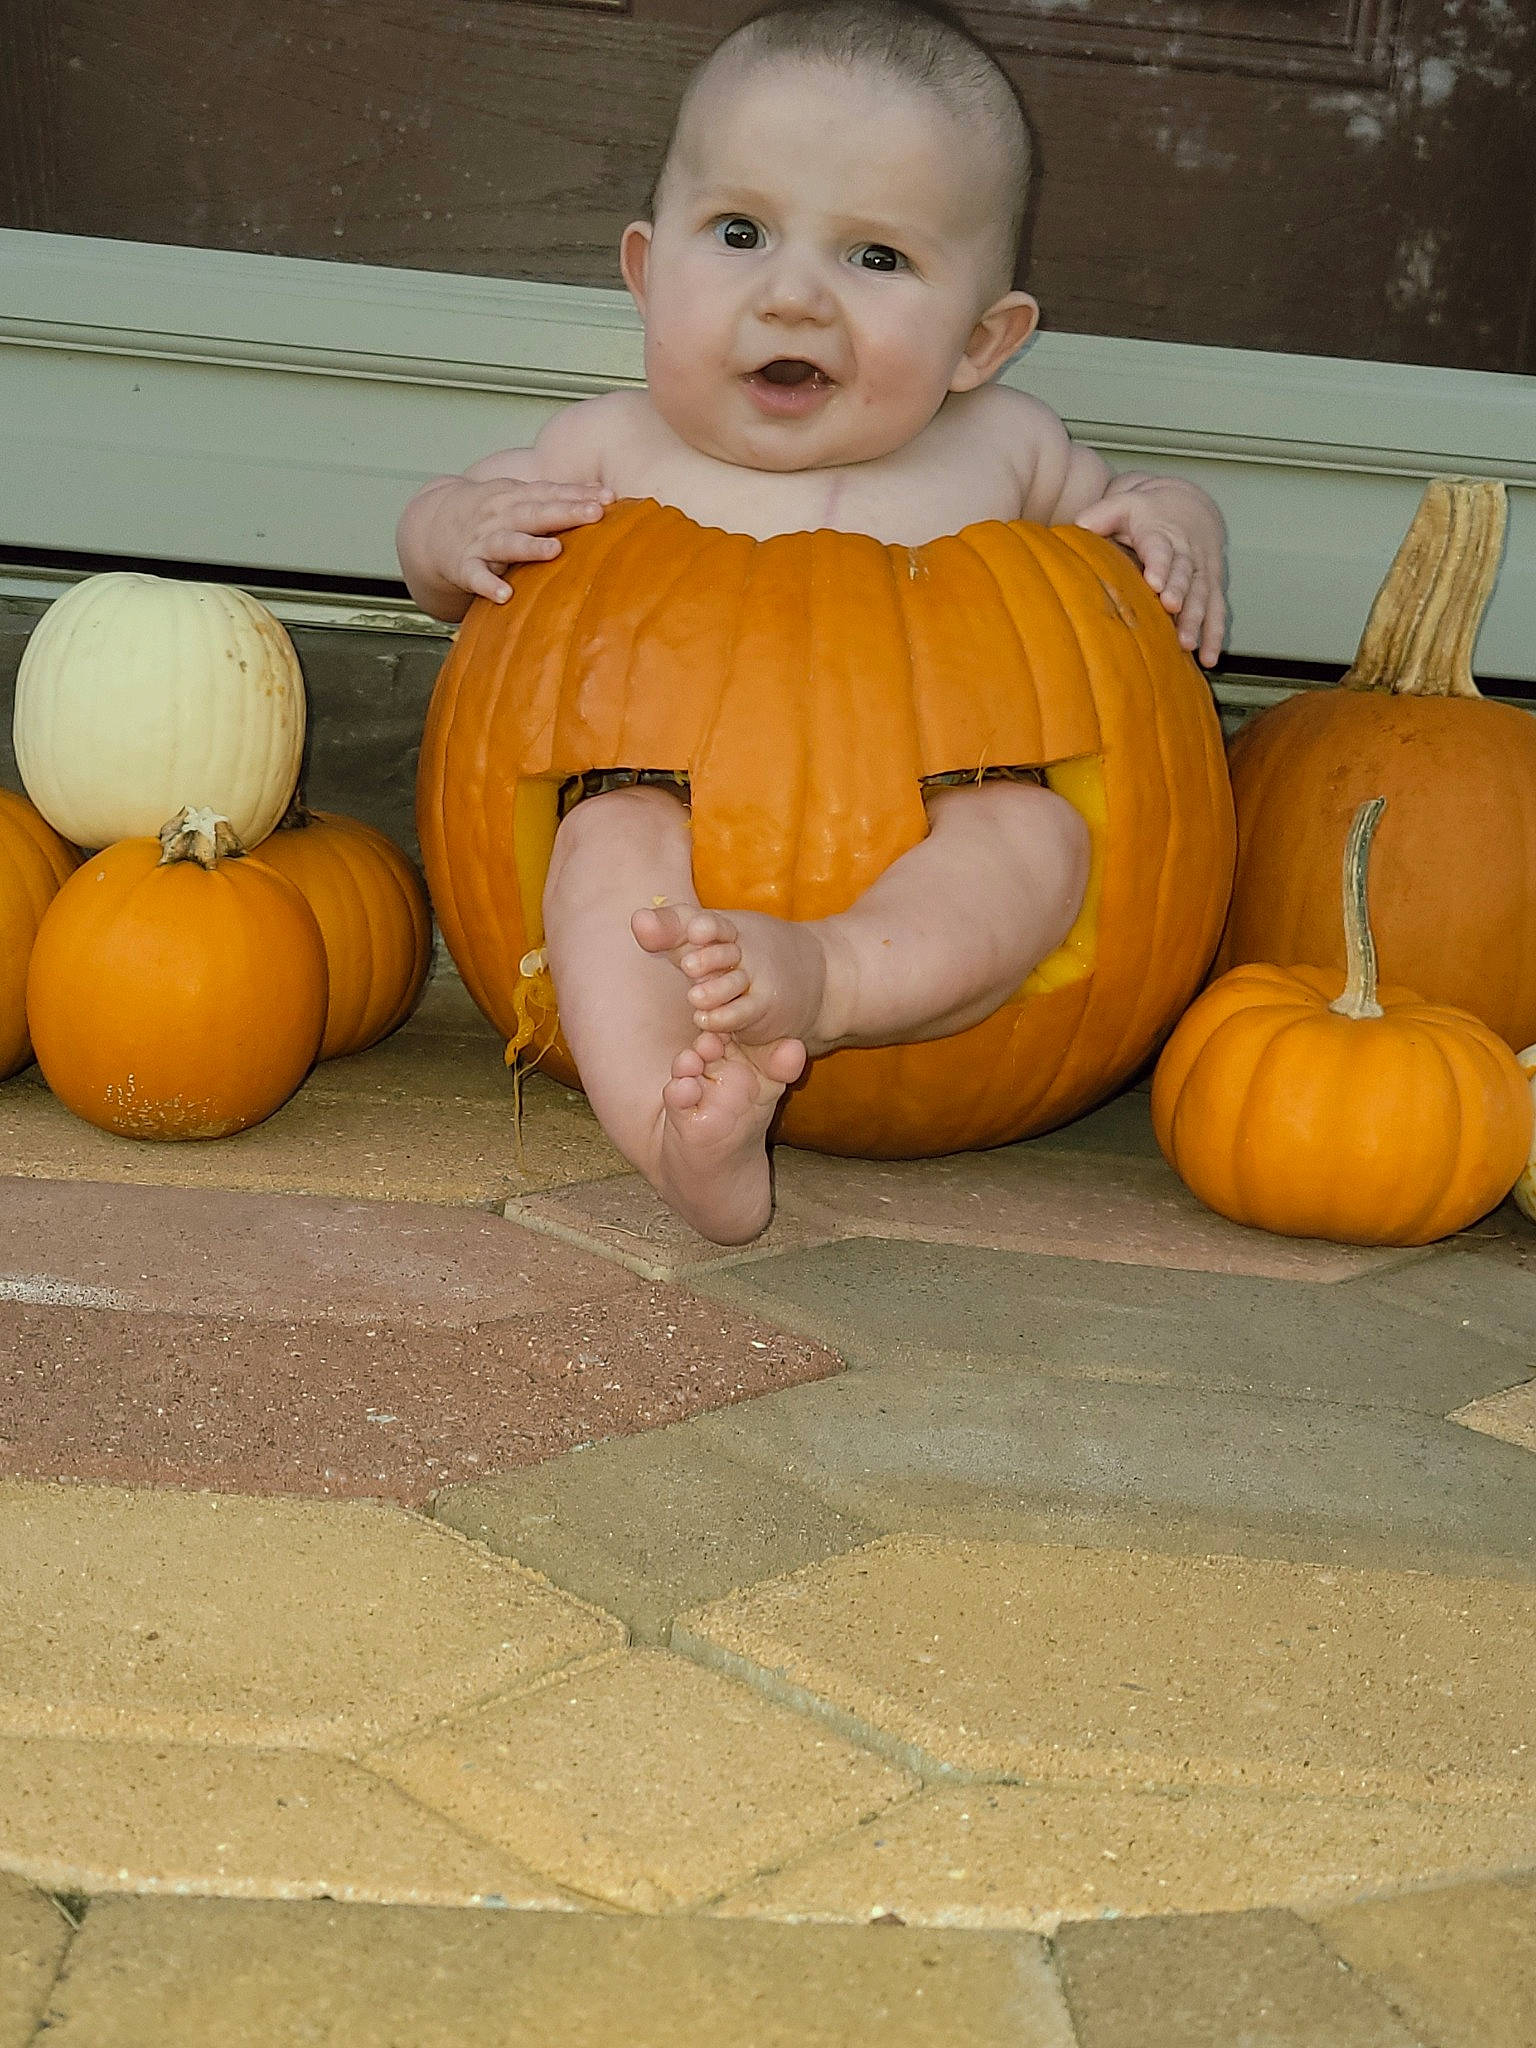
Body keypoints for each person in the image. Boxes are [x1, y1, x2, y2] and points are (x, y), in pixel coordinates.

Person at [397, 0, 1227, 1245]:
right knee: (600, 838)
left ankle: (834, 978)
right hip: (682, 854)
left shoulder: (1008, 451)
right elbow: (444, 562)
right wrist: (448, 528)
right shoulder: (602, 448)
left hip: (910, 880)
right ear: (645, 269)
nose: (793, 296)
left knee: (1041, 833)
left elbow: (1128, 511)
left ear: (981, 342)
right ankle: (675, 1130)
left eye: (876, 259)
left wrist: (1180, 523)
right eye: (741, 232)